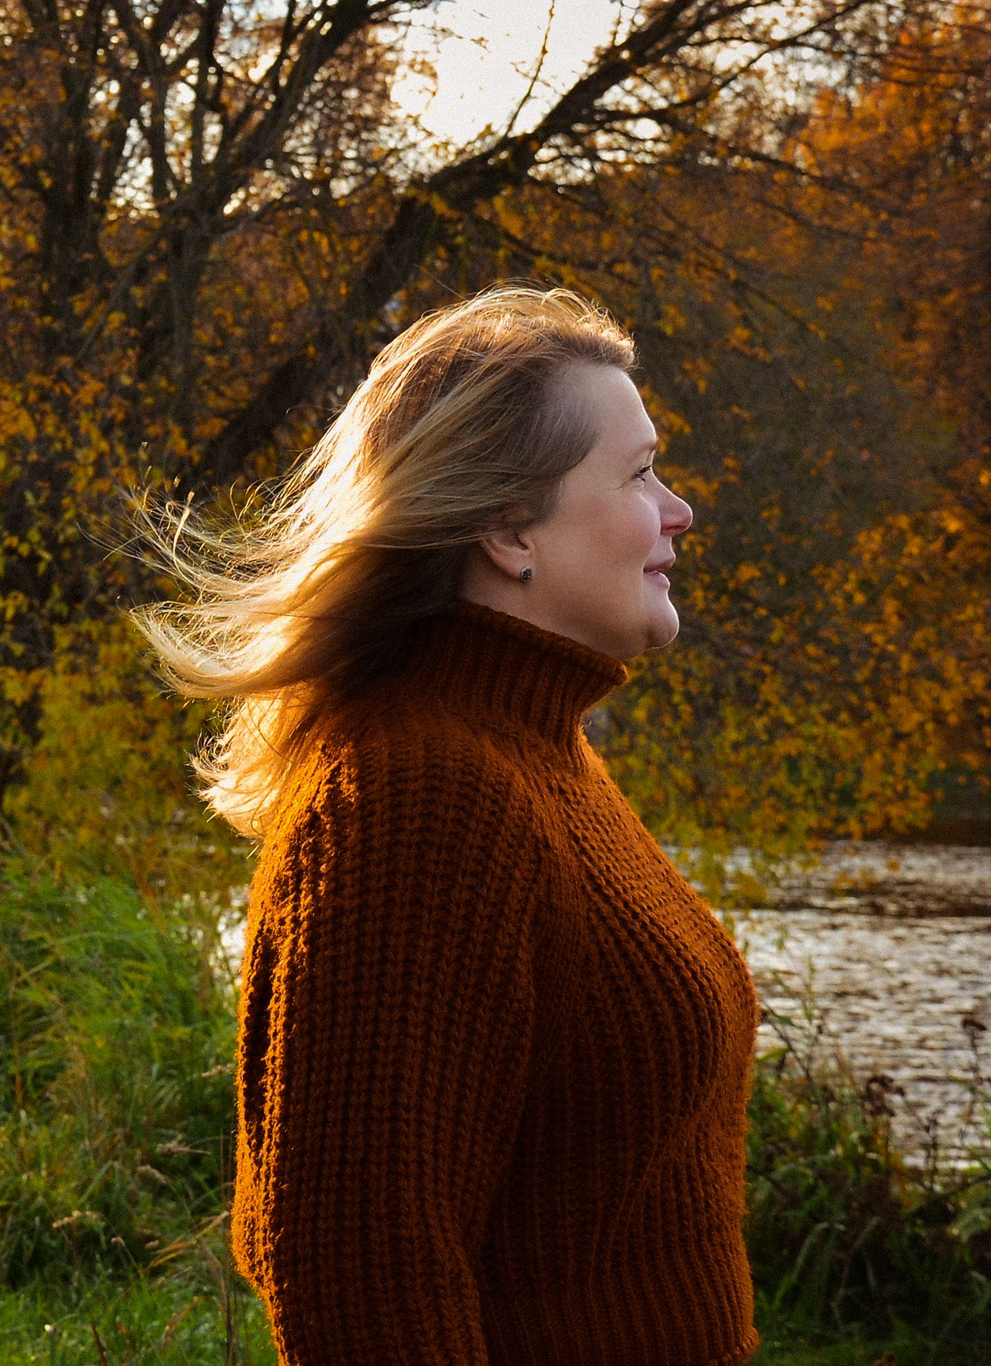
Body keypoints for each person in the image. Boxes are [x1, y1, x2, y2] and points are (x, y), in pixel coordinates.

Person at [137, 286, 758, 1365]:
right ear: (510, 527)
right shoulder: (418, 799)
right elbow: (360, 1271)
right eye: (639, 473)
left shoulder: (537, 754)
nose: (677, 511)